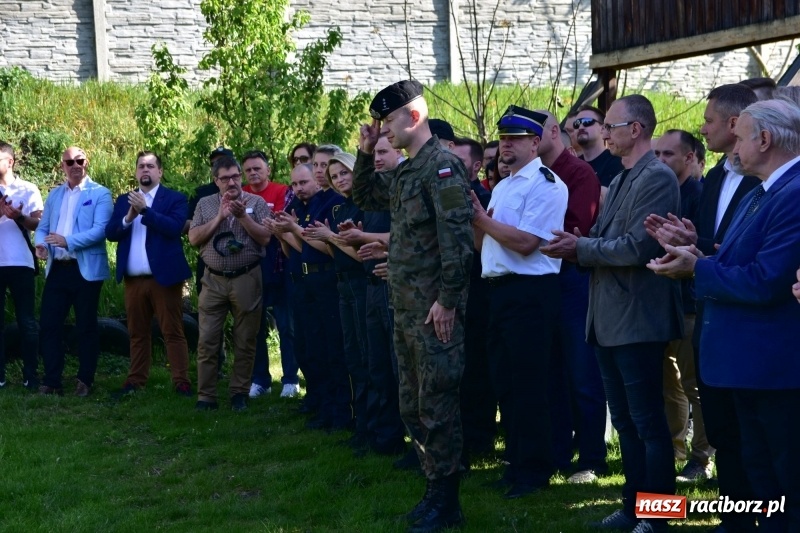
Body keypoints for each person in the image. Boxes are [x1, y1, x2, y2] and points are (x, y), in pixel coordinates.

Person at [647, 98, 800, 533]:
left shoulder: (793, 193)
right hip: (747, 365)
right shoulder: (763, 190)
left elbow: (765, 281)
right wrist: (696, 249)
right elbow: (740, 261)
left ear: (764, 139)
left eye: (741, 136)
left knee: (783, 479)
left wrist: (696, 268)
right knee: (760, 476)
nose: (734, 145)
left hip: (771, 366)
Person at [542, 94, 682, 533]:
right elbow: (605, 239)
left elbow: (639, 247)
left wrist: (581, 247)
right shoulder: (622, 178)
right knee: (624, 422)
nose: (604, 133)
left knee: (648, 424)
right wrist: (579, 244)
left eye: (610, 126)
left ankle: (658, 518)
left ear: (635, 129)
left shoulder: (656, 177)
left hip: (638, 317)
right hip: (607, 317)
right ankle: (632, 508)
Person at [352, 80, 473, 533]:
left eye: (388, 121)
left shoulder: (442, 168)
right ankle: (434, 489)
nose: (383, 129)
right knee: (413, 406)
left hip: (433, 312)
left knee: (438, 405)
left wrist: (447, 302)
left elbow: (457, 243)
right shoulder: (408, 172)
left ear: (414, 117)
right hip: (405, 310)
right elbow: (365, 195)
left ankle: (447, 502)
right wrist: (365, 152)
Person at [472, 106, 568, 498]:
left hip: (530, 293)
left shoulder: (547, 184)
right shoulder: (503, 186)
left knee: (529, 384)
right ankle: (514, 463)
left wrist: (480, 219)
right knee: (506, 382)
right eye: (503, 139)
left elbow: (528, 243)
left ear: (535, 143)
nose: (506, 146)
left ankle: (534, 470)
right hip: (499, 290)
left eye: (515, 139)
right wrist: (475, 221)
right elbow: (484, 243)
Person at [536, 110, 606, 484]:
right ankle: (558, 453)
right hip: (541, 282)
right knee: (551, 375)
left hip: (573, 279)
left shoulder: (580, 173)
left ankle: (593, 457)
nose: (528, 141)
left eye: (533, 133)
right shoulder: (530, 175)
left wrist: (527, 235)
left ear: (552, 132)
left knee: (582, 374)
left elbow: (576, 230)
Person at [266, 163, 352, 431]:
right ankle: (319, 403)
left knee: (330, 350)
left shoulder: (331, 203)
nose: (298, 188)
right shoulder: (298, 207)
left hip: (326, 281)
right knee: (308, 347)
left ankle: (338, 410)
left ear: (316, 180)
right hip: (301, 280)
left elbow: (324, 248)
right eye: (294, 184)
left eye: (303, 182)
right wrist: (282, 234)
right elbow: (297, 250)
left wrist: (293, 229)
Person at [105, 151, 192, 396]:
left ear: (160, 172)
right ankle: (135, 380)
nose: (146, 169)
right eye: (141, 166)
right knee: (137, 333)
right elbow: (111, 233)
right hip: (133, 280)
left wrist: (145, 211)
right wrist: (128, 217)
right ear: (136, 172)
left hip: (164, 279)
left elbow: (174, 228)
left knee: (172, 331)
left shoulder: (174, 198)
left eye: (151, 166)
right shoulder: (124, 200)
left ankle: (181, 381)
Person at [188, 156, 271, 411]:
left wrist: (242, 217)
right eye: (225, 178)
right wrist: (220, 217)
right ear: (216, 181)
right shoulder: (205, 204)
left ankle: (239, 394)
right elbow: (194, 238)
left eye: (235, 176)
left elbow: (266, 238)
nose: (232, 182)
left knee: (245, 338)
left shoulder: (256, 202)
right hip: (213, 279)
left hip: (246, 277)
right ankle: (206, 396)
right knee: (207, 339)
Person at [652, 130, 711, 479]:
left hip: (690, 303)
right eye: (657, 154)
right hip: (662, 302)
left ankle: (701, 458)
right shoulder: (662, 192)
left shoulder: (700, 196)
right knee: (668, 383)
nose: (660, 160)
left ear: (690, 158)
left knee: (694, 384)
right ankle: (675, 449)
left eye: (668, 154)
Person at [35, 146, 112, 397]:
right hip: (58, 269)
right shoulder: (55, 195)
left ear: (86, 162)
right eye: (70, 162)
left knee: (86, 326)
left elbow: (101, 230)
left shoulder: (100, 193)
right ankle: (52, 381)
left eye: (79, 160)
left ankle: (85, 380)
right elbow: (43, 227)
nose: (75, 165)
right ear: (63, 166)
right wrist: (41, 244)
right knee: (49, 325)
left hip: (85, 269)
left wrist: (67, 241)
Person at [450, 136, 496, 466]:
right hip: (454, 293)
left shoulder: (484, 199)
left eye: (459, 162)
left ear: (477, 166)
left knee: (477, 369)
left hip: (479, 293)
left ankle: (480, 438)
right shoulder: (446, 196)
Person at [241, 149, 300, 399]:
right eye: (248, 170)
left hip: (281, 264)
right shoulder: (241, 194)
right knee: (255, 326)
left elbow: (281, 223)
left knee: (287, 325)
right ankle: (260, 379)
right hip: (252, 266)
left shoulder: (282, 191)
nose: (253, 173)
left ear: (268, 169)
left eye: (257, 168)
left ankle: (291, 379)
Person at [0, 141, 43, 390]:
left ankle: (31, 375)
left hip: (21, 262)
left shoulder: (28, 188)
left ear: (10, 161)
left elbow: (38, 223)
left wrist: (19, 216)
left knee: (27, 321)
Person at [574, 105, 624, 206]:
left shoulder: (616, 162)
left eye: (587, 122)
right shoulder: (573, 164)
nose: (581, 127)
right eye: (577, 124)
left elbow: (601, 203)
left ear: (603, 128)